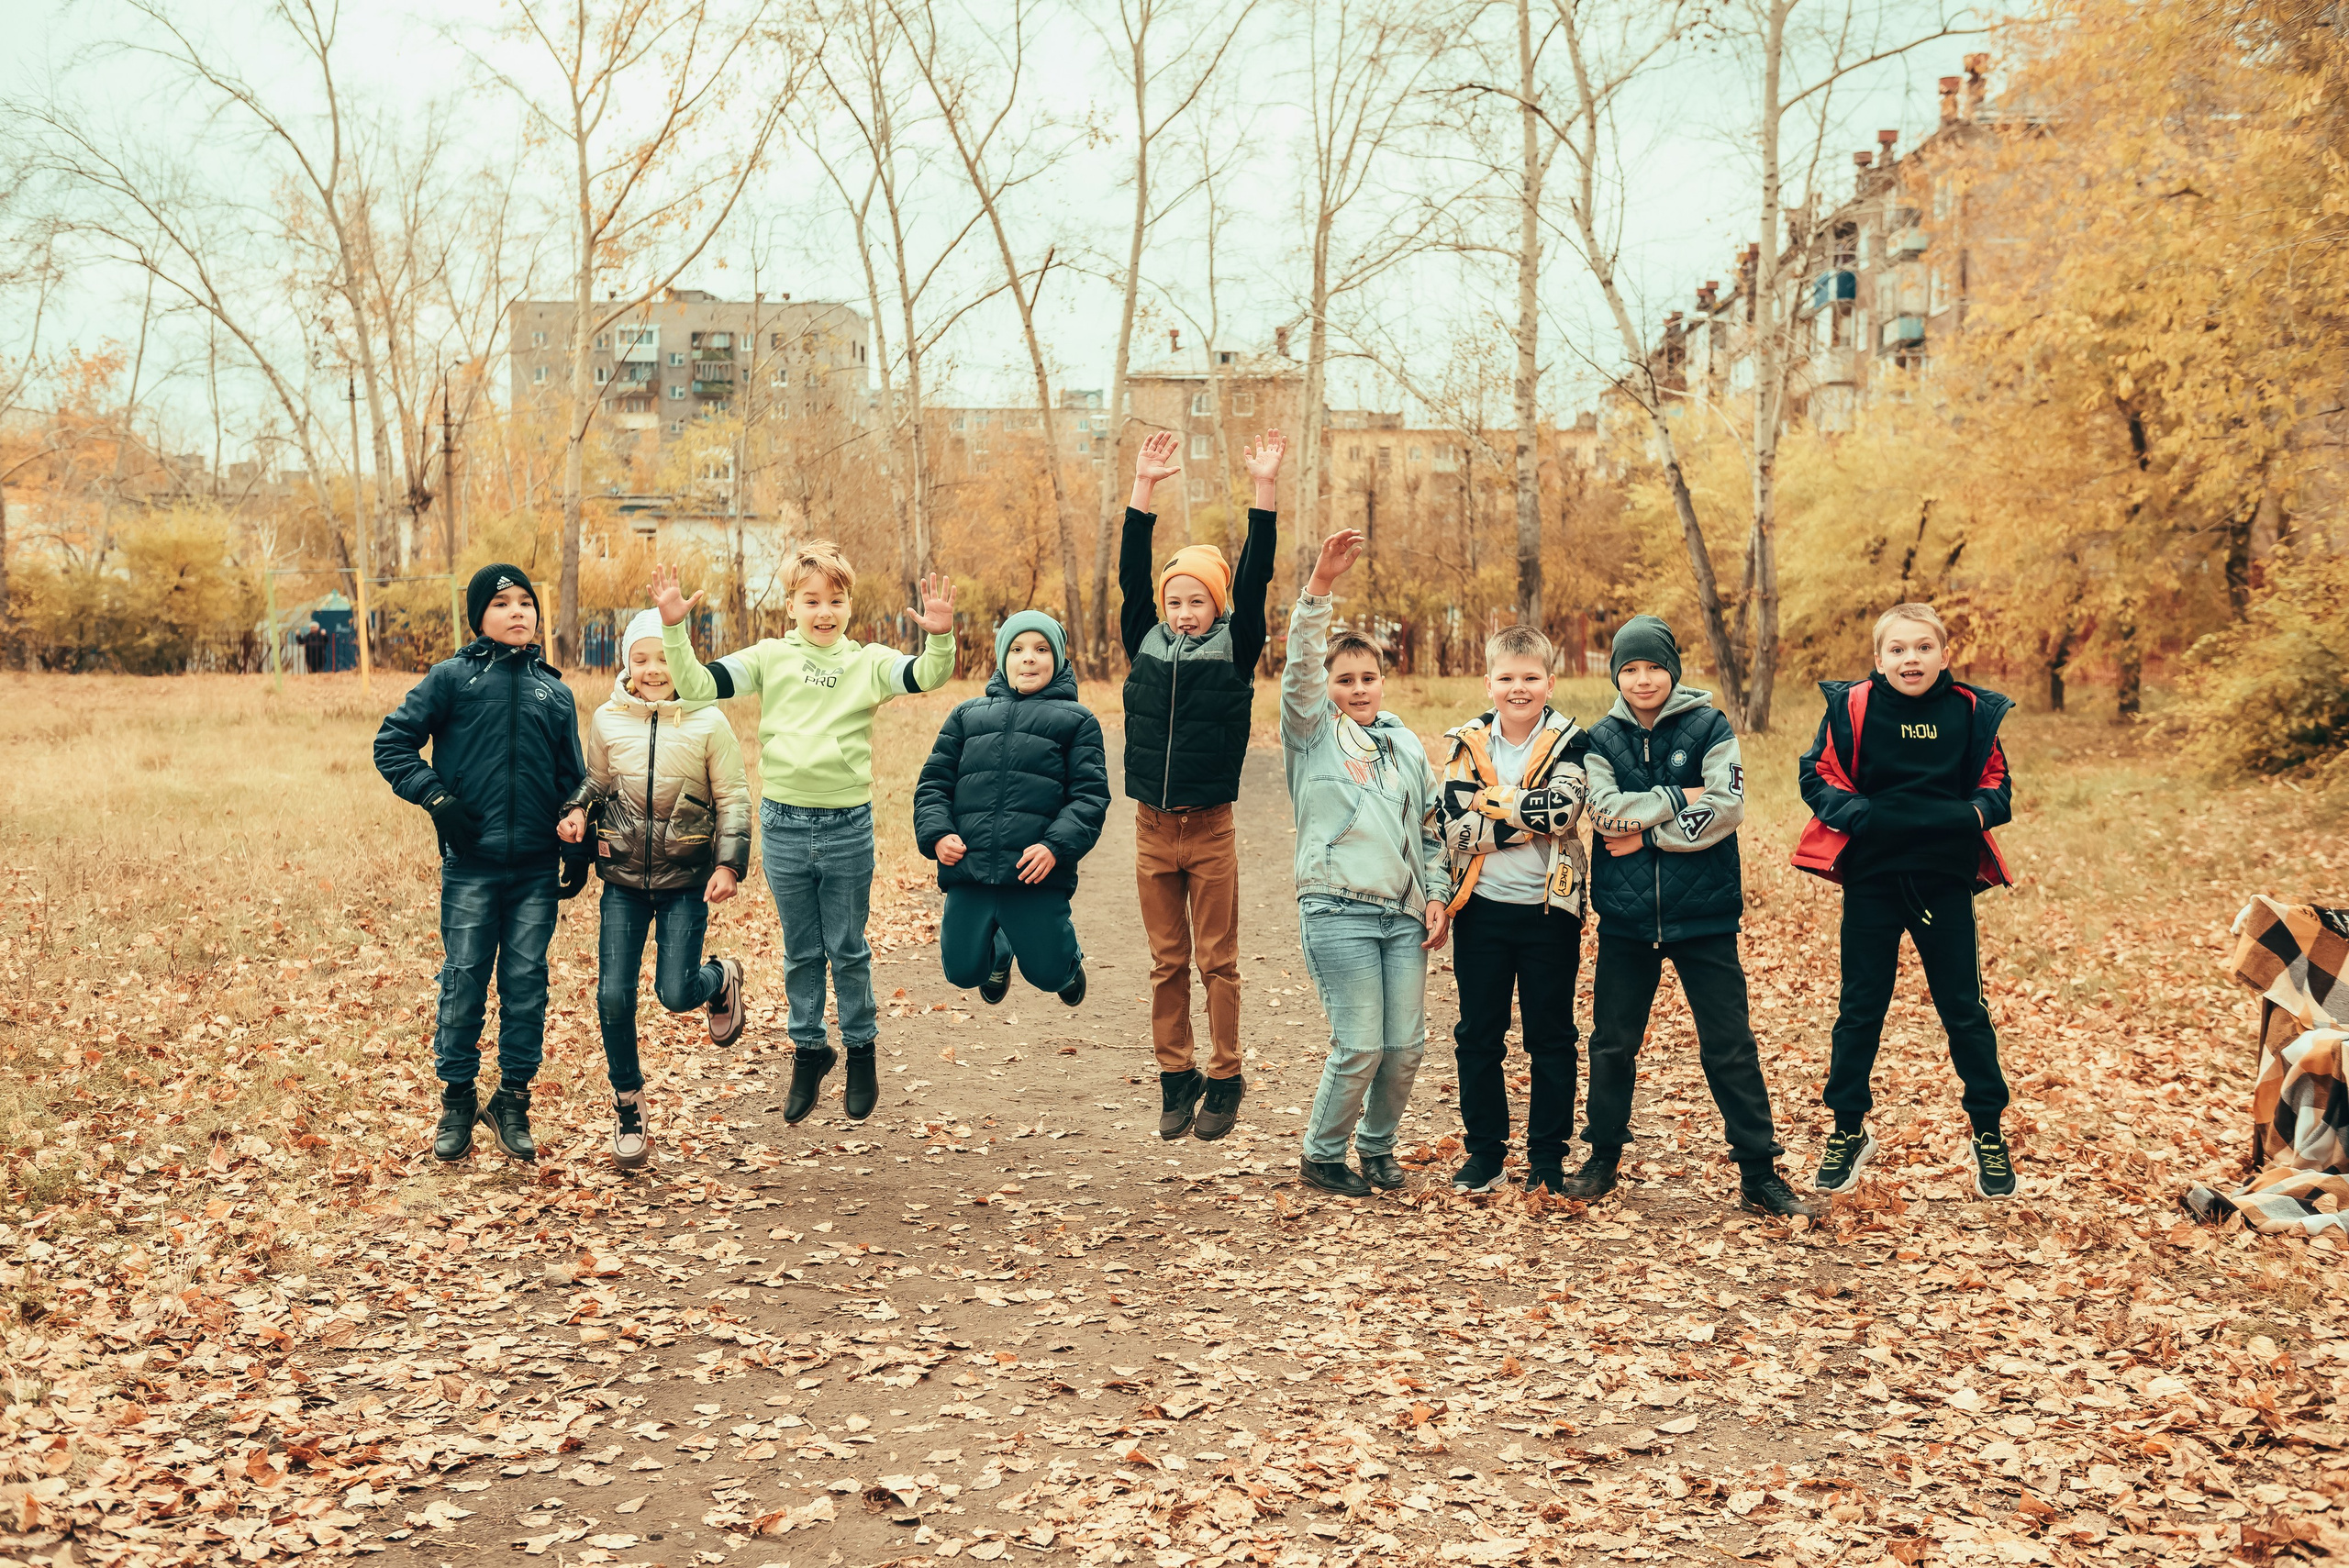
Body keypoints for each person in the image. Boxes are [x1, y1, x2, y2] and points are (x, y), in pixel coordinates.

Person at [647, 549, 956, 1127]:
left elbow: (922, 676)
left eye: (835, 601)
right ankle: (810, 1050)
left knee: (848, 947)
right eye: (811, 600)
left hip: (846, 827)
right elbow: (695, 687)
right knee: (801, 951)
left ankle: (861, 1050)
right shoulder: (770, 657)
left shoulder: (864, 662)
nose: (824, 612)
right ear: (790, 605)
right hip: (785, 824)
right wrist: (674, 628)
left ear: (848, 606)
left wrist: (939, 639)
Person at [1568, 615, 1819, 1218]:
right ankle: (1602, 1156)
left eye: (1654, 666)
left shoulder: (1710, 726)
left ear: (1674, 669)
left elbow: (1727, 804)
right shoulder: (1599, 738)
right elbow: (1604, 812)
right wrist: (1679, 797)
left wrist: (1650, 839)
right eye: (1630, 669)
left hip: (1704, 916)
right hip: (1626, 920)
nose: (1643, 679)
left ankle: (1759, 1170)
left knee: (1729, 1044)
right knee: (1611, 1044)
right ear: (1616, 675)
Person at [1795, 602, 2018, 1200]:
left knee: (1963, 1009)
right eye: (1897, 649)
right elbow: (1814, 775)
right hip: (1873, 880)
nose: (1910, 658)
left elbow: (1998, 790)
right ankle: (1847, 1128)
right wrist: (1862, 816)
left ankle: (1988, 1132)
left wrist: (1958, 817)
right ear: (1878, 659)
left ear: (1945, 654)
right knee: (1859, 1009)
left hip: (1942, 882)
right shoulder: (1853, 707)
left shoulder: (1970, 712)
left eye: (1922, 647)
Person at [373, 562, 584, 1163]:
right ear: (478, 617)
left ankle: (512, 1099)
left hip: (537, 871)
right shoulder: (451, 680)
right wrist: (436, 797)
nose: (518, 611)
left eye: (526, 601)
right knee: (464, 976)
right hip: (471, 864)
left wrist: (577, 847)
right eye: (501, 603)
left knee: (526, 984)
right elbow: (391, 743)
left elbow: (573, 780)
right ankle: (458, 1098)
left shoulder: (555, 692)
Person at [1119, 427, 1286, 1142]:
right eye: (1176, 601)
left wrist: (1264, 491)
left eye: (1198, 600)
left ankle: (1225, 1073)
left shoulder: (1235, 648)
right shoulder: (1145, 643)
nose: (1186, 611)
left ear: (1217, 605)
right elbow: (1130, 574)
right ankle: (1174, 1073)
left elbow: (1257, 574)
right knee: (1167, 962)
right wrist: (1143, 490)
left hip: (1210, 828)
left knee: (1217, 960)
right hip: (1152, 829)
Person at [1281, 529, 1450, 1197]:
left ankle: (1377, 1149)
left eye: (1367, 677)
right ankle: (1322, 1154)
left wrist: (1436, 893)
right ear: (1328, 687)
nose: (1357, 688)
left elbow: (1432, 830)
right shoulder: (1313, 732)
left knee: (1403, 1046)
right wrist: (1319, 587)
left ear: (1384, 680)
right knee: (1360, 1044)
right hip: (1336, 905)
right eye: (1344, 679)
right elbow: (1298, 667)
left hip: (1403, 915)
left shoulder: (1407, 745)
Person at [558, 609, 752, 1172]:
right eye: (640, 659)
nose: (652, 669)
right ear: (626, 663)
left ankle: (720, 979)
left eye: (665, 658)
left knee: (674, 993)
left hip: (685, 881)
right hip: (620, 880)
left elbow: (734, 800)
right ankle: (628, 1107)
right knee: (613, 997)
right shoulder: (608, 719)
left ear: (683, 659)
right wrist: (576, 809)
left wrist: (729, 865)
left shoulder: (709, 722)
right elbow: (598, 779)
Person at [1433, 623, 1592, 1195]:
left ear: (1550, 682)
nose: (1517, 688)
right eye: (1506, 678)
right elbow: (1452, 824)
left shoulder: (1572, 743)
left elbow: (1563, 813)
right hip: (1482, 910)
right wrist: (1525, 815)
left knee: (1551, 1037)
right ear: (1488, 682)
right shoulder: (1466, 743)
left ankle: (1547, 1159)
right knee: (1479, 1034)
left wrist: (1492, 807)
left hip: (1549, 911)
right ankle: (1485, 1154)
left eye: (1530, 678)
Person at [914, 610, 1108, 1007]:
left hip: (1033, 872)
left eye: (1041, 649)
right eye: (1017, 649)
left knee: (1048, 973)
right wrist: (937, 835)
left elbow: (1089, 797)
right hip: (971, 868)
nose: (1029, 658)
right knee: (963, 971)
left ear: (1058, 658)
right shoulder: (968, 716)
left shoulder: (1077, 722)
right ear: (1003, 658)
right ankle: (998, 954)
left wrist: (1055, 846)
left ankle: (1066, 965)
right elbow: (933, 784)